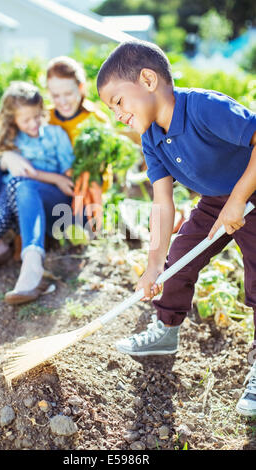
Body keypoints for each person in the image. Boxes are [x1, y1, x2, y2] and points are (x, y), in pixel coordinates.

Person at [97, 40, 256, 417]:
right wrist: (153, 263)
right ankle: (165, 331)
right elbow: (162, 202)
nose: (117, 114)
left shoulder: (204, 107)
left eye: (118, 101)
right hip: (216, 201)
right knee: (178, 260)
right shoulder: (151, 137)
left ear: (148, 79)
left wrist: (238, 199)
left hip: (251, 191)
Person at [0, 81, 75, 304]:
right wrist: (7, 158)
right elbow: (3, 171)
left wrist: (53, 177)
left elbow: (66, 180)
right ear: (13, 120)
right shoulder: (13, 139)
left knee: (22, 183)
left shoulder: (56, 134)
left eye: (37, 116)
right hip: (12, 202)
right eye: (25, 120)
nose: (33, 124)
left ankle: (31, 264)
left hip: (45, 201)